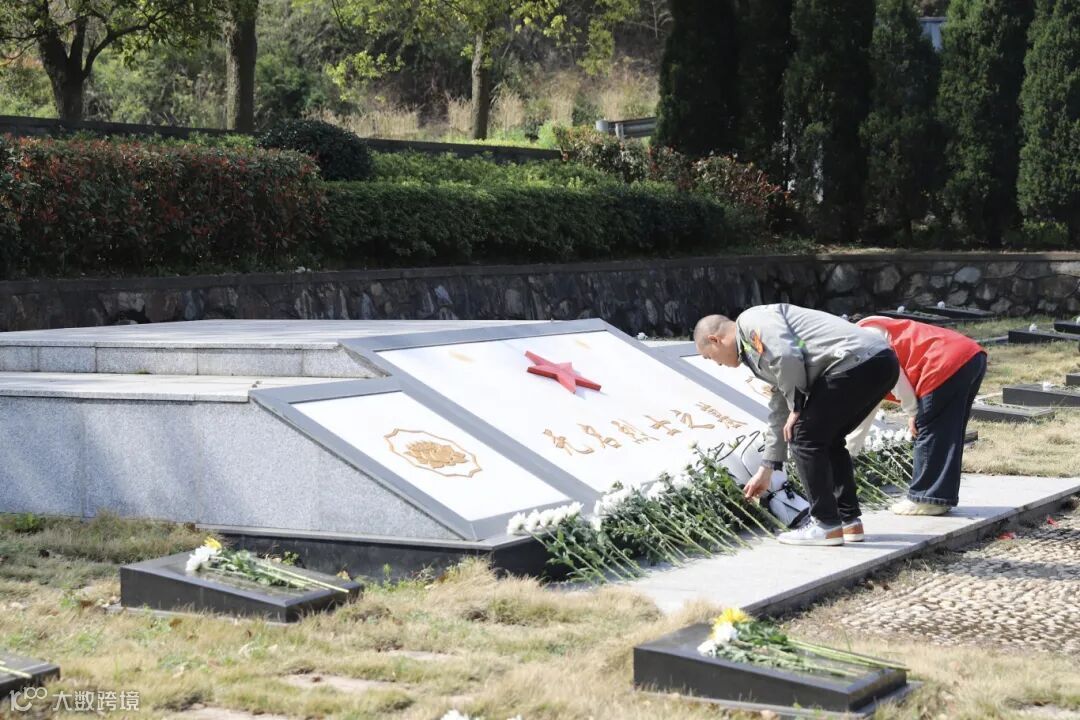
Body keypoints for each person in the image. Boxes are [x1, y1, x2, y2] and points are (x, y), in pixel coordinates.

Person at [694, 304, 899, 546]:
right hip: (878, 362)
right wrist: (767, 468)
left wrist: (797, 406)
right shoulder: (753, 350)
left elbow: (786, 356)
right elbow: (780, 405)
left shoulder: (751, 320)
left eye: (709, 357)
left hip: (855, 361)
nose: (717, 364)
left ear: (714, 340)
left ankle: (825, 525)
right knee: (828, 439)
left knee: (803, 436)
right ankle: (848, 521)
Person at [846, 316, 986, 516]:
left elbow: (895, 376)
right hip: (971, 356)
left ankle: (925, 499)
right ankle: (940, 498)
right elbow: (868, 407)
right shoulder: (863, 338)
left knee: (930, 431)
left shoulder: (862, 343)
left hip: (943, 361)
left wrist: (913, 411)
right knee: (947, 433)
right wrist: (848, 452)